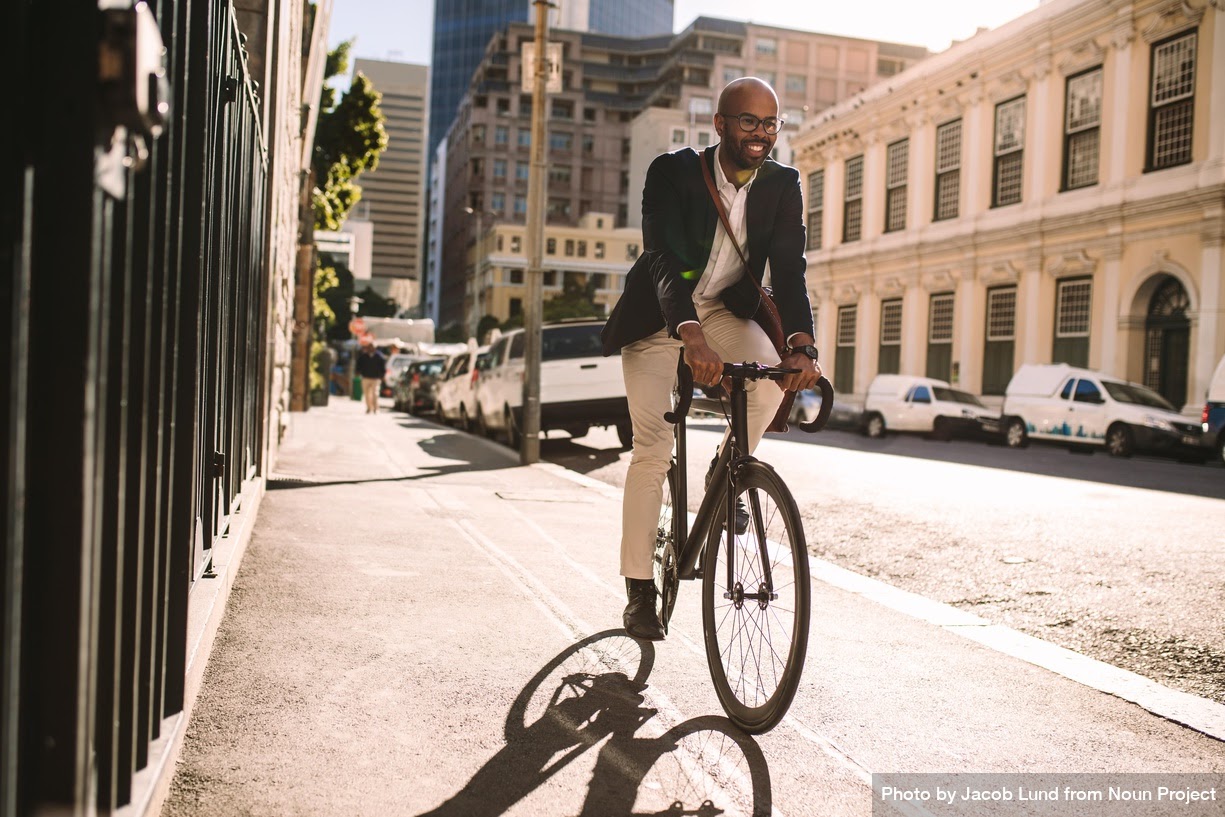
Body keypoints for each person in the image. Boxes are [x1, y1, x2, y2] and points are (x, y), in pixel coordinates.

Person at [600, 77, 823, 641]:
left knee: (771, 384)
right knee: (651, 452)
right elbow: (662, 258)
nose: (761, 134)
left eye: (771, 124)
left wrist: (801, 345)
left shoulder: (782, 184)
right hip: (659, 317)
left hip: (724, 311)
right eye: (748, 121)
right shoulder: (672, 171)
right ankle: (639, 591)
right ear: (720, 124)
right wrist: (688, 333)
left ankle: (726, 472)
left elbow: (790, 269)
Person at [354, 340, 387, 414]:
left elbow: (383, 368)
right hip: (366, 377)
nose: (371, 348)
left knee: (375, 394)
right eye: (369, 347)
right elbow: (359, 366)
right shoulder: (363, 357)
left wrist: (382, 376)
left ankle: (376, 408)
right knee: (366, 394)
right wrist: (358, 372)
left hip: (375, 378)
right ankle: (369, 408)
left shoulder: (379, 357)